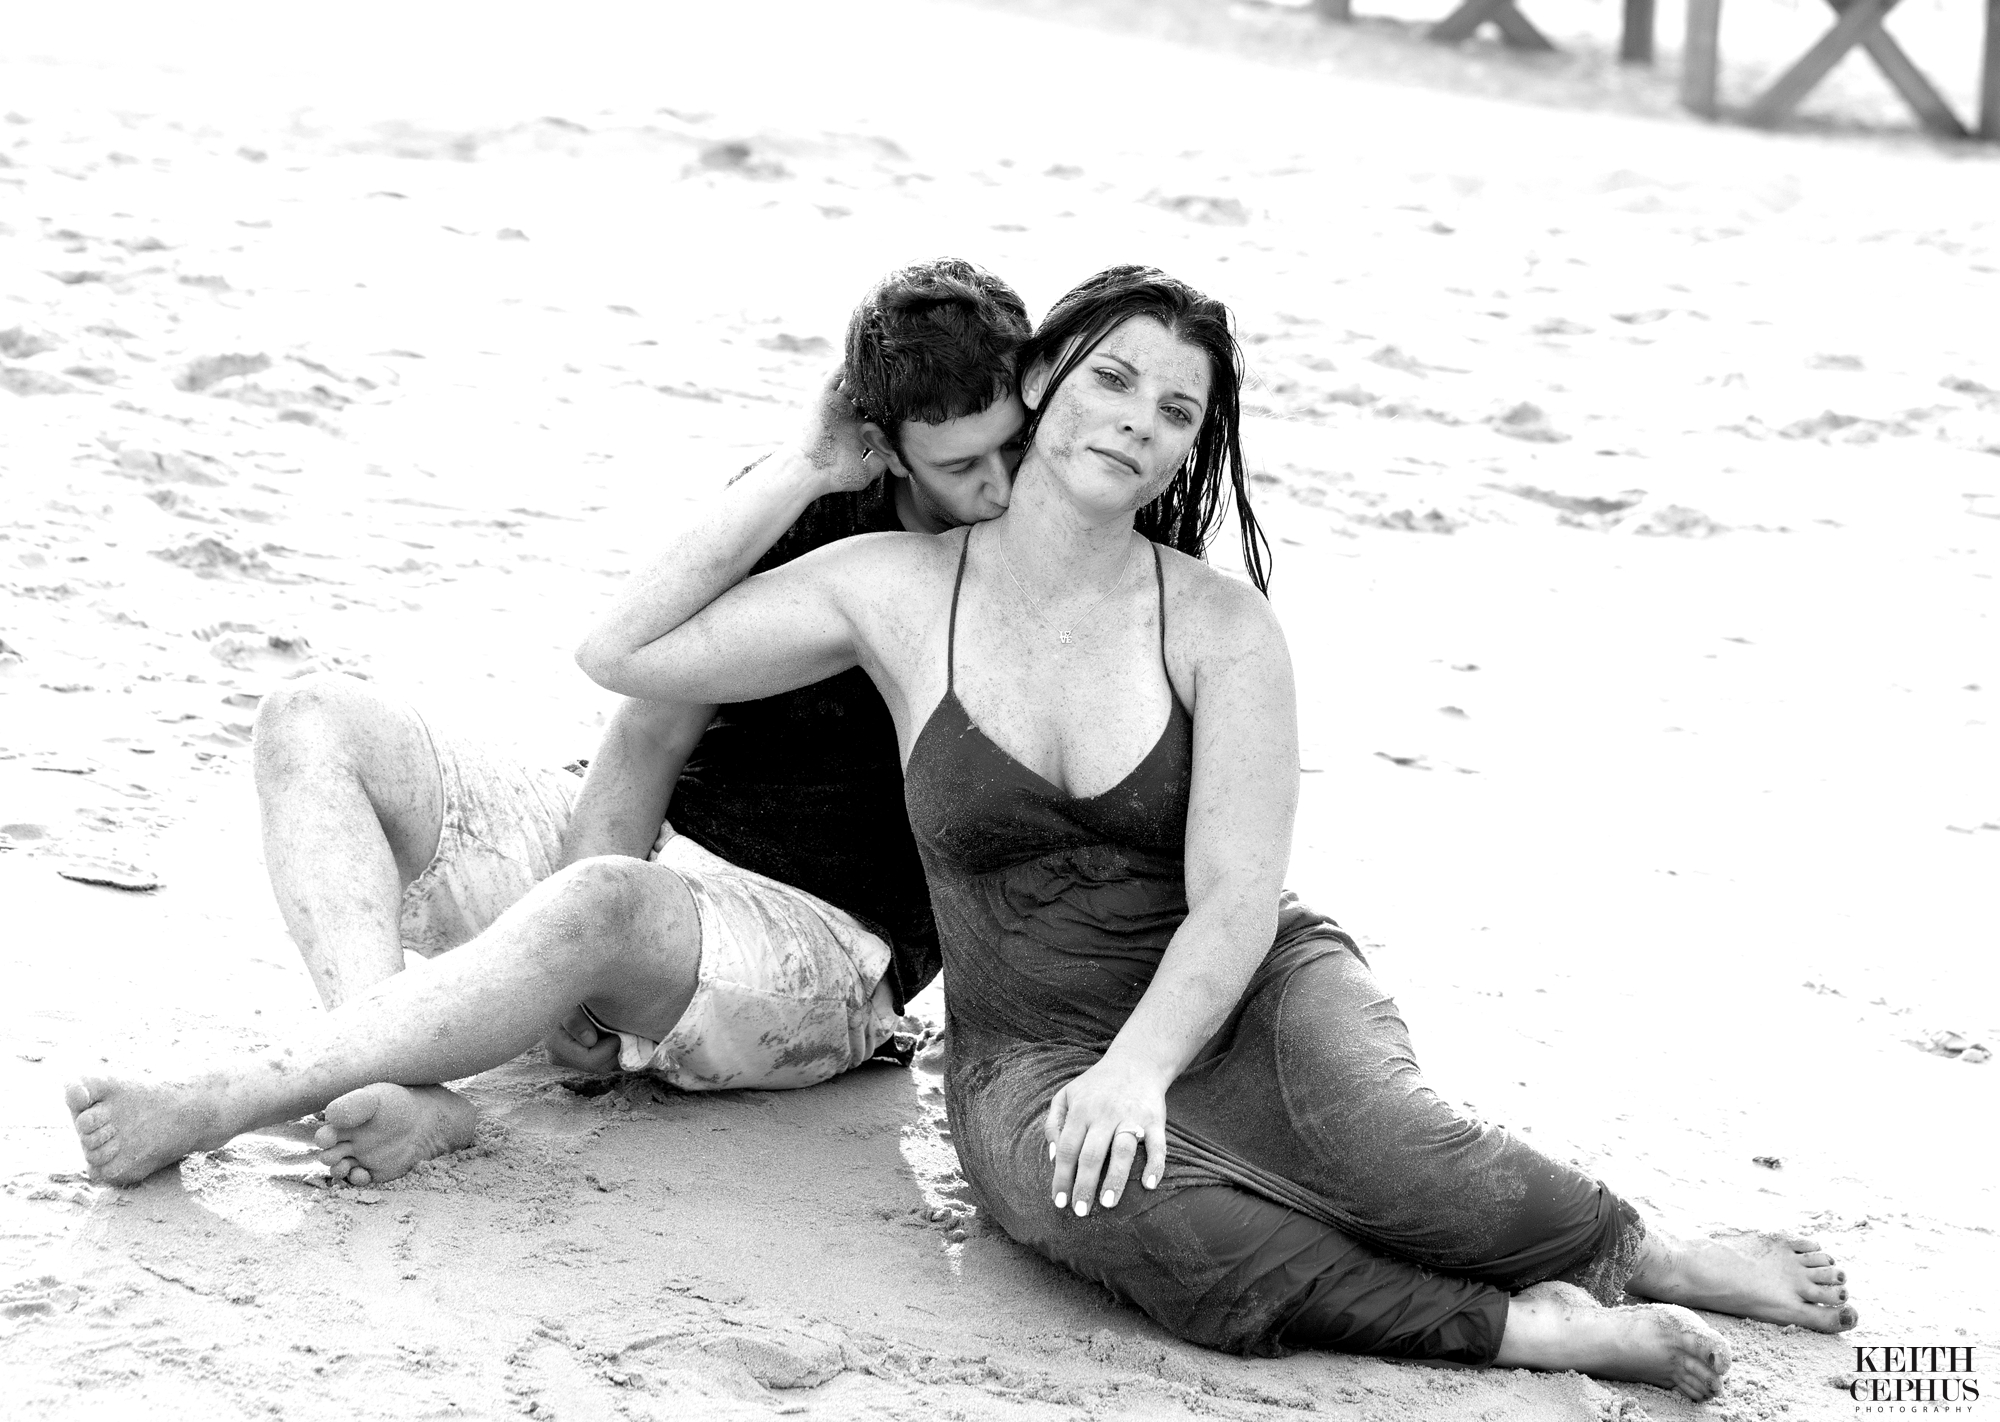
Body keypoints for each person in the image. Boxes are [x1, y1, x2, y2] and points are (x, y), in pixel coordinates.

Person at [567, 265, 1859, 1400]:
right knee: (1141, 1221)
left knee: (1398, 1157)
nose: (1140, 419)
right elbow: (621, 651)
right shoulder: (900, 589)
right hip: (1026, 1048)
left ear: (1188, 450)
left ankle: (1644, 1252)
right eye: (1113, 378)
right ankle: (1524, 1327)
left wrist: (1139, 1069)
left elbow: (1238, 901)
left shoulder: (1223, 627)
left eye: (1177, 409)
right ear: (1038, 383)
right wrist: (807, 462)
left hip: (1245, 987)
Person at [64, 256, 1028, 1188]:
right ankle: (391, 1082)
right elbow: (647, 727)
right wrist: (801, 468)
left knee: (600, 898)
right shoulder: (807, 499)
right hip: (639, 867)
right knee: (310, 716)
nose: (1001, 487)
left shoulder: (1030, 568)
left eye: (1014, 447)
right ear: (882, 442)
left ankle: (231, 1099)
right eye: (961, 463)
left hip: (819, 949)